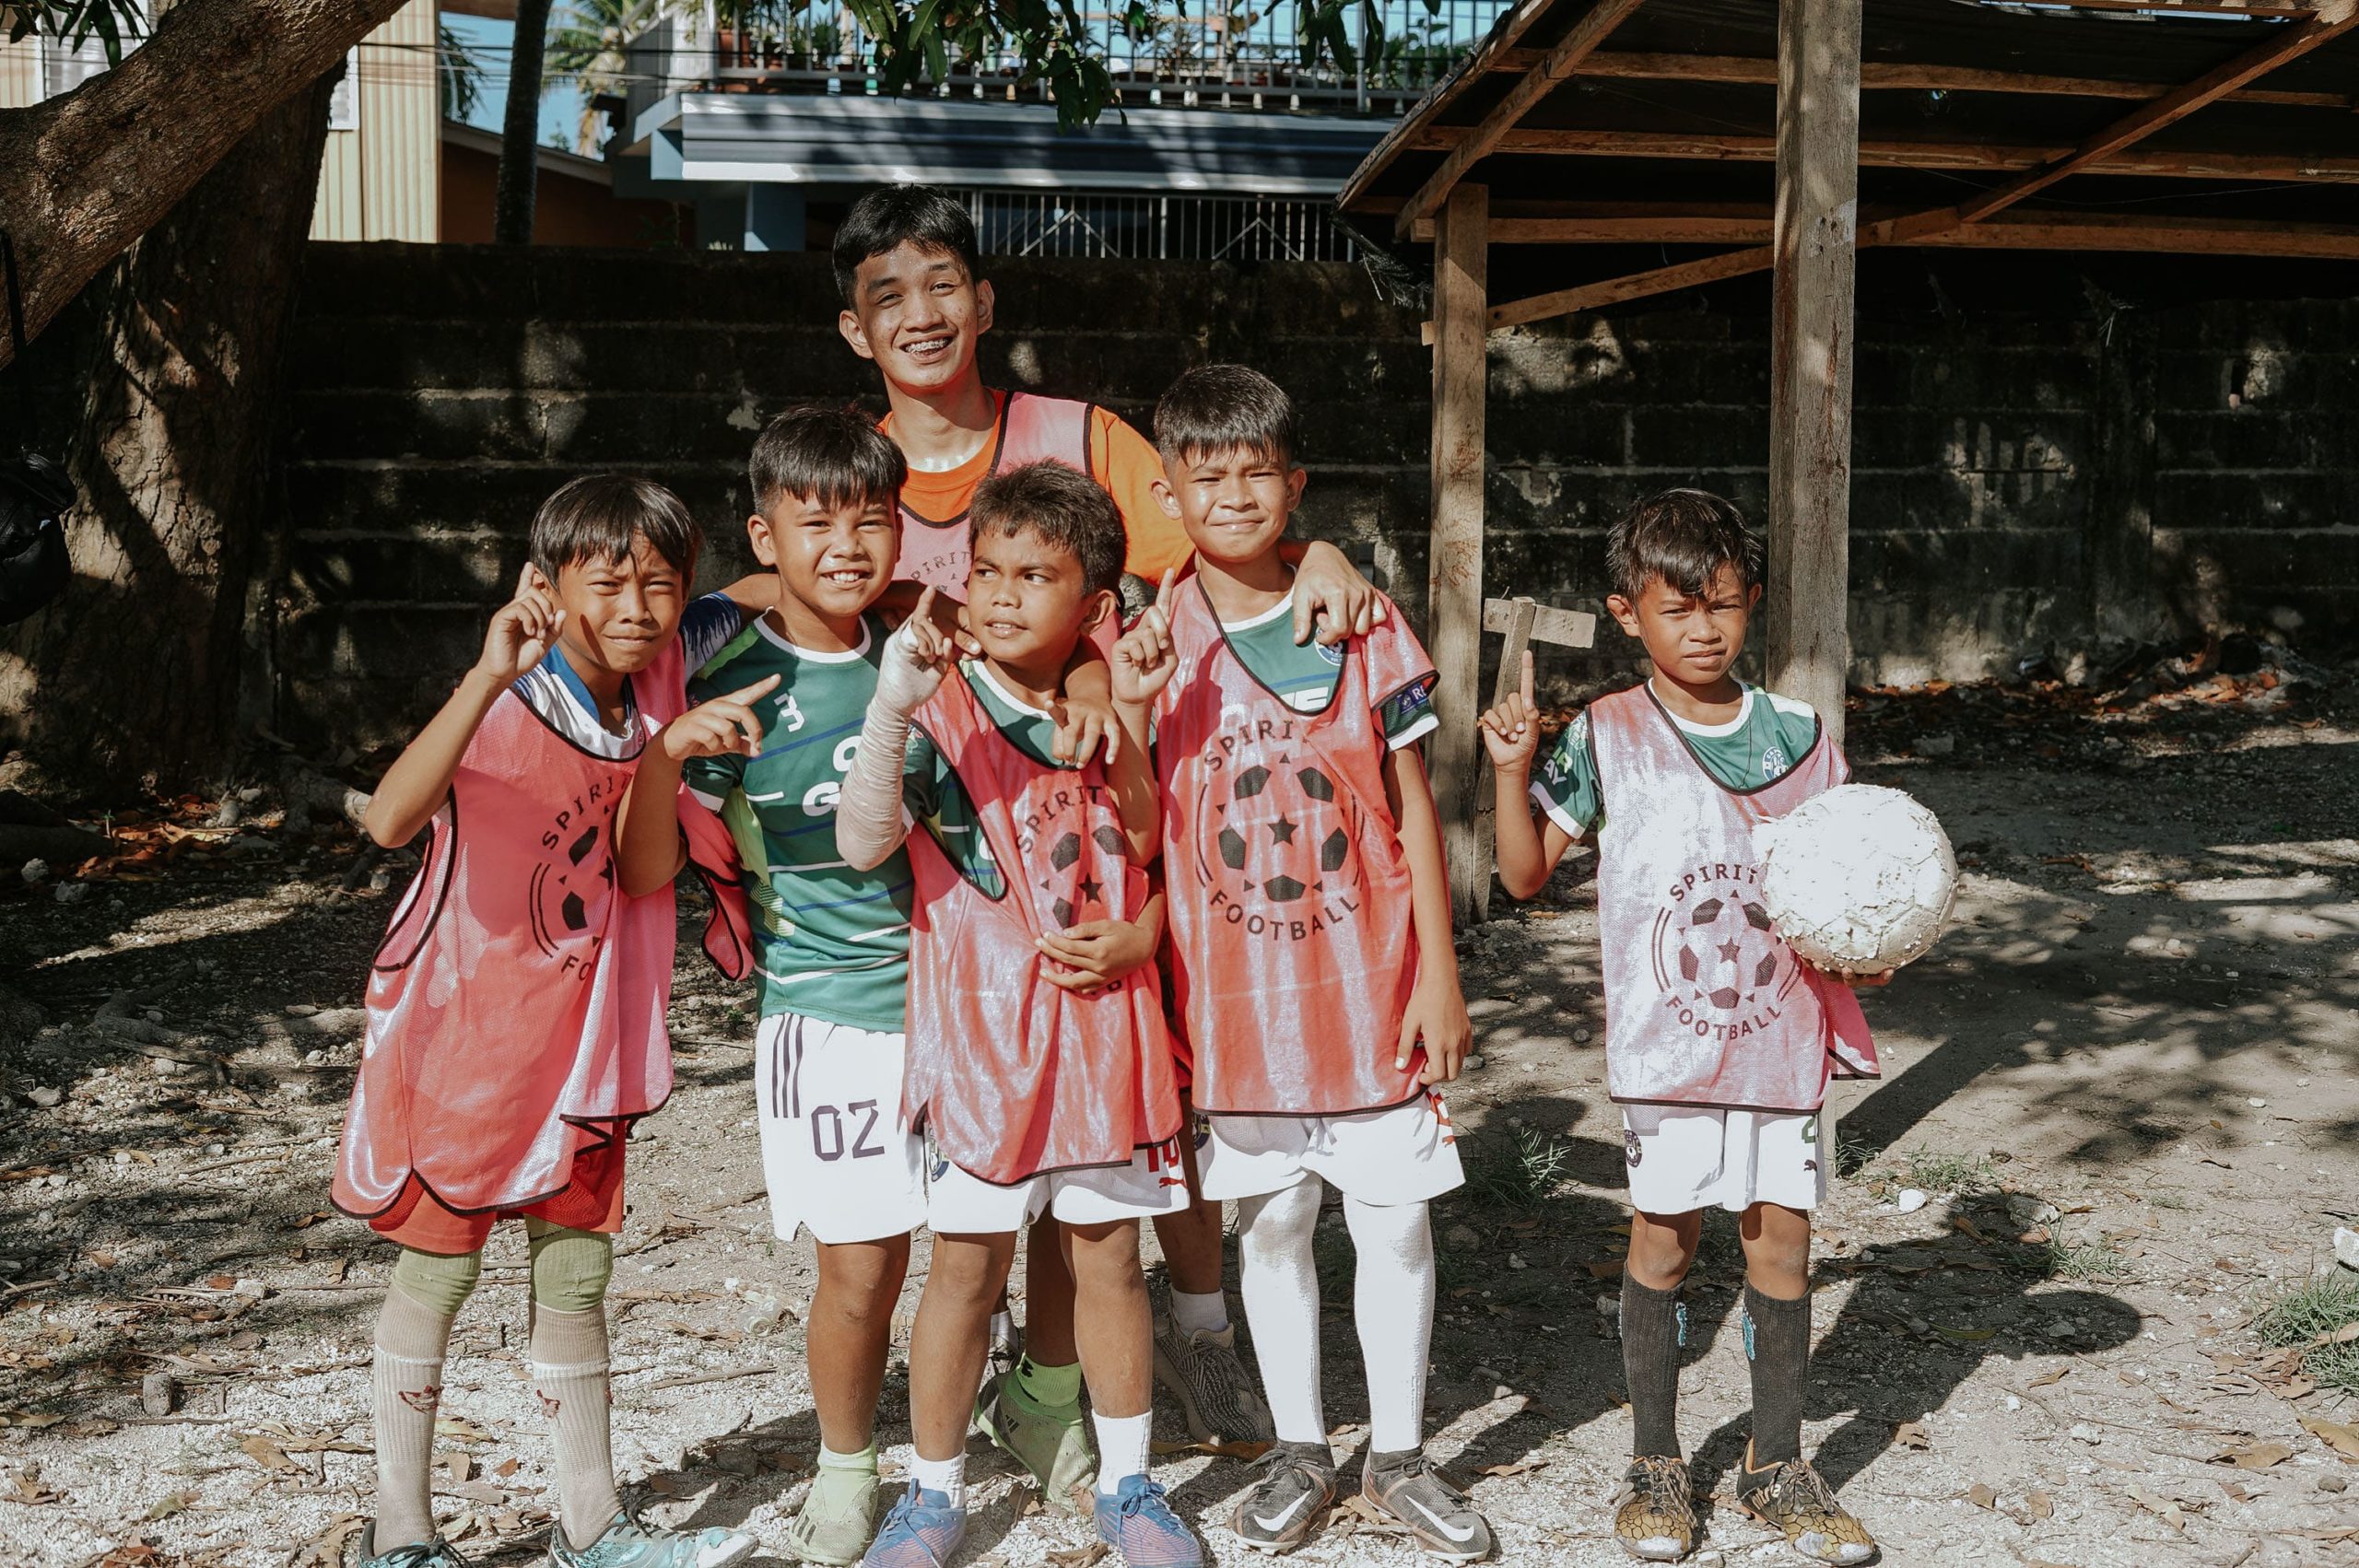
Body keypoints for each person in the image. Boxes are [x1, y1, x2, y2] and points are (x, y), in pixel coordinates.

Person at [833, 183, 1306, 1482]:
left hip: (1113, 793)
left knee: (1148, 1090)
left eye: (943, 286)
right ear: (853, 328)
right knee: (999, 1148)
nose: (921, 315)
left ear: (985, 303)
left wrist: (1112, 678)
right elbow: (798, 569)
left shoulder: (1082, 435)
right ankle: (1026, 1393)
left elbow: (1202, 555)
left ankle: (1192, 1337)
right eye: (888, 296)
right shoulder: (863, 468)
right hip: (954, 845)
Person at [335, 475, 778, 1568]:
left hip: (583, 1040)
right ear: (547, 584)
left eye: (659, 583)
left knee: (576, 1271)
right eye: (608, 579)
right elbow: (391, 817)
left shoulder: (653, 690)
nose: (636, 603)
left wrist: (667, 755)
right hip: (466, 1034)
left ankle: (594, 1525)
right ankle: (398, 1533)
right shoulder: (505, 695)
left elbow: (640, 871)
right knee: (438, 1271)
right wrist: (487, 671)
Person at [1117, 364, 1491, 1561]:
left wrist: (1440, 969)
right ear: (1167, 489)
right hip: (1234, 1007)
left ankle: (1400, 1453)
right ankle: (1297, 1445)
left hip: (1369, 983)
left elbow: (1415, 807)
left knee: (1393, 1223)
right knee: (1271, 1219)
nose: (1233, 494)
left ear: (1297, 484)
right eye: (1206, 475)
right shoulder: (1149, 638)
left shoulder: (1360, 619)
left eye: (1256, 472)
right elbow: (1129, 817)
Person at [1480, 488, 1884, 1566]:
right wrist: (1512, 769)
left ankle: (1776, 1464)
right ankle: (1656, 1463)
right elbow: (1523, 876)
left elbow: (1849, 889)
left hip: (1780, 1040)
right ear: (1627, 613)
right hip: (1667, 1051)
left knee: (1784, 1245)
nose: (1702, 628)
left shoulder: (1802, 736)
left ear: (1750, 603)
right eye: (1676, 609)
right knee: (1664, 1242)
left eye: (1723, 605)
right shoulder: (1607, 736)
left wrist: (1872, 948)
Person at [833, 462, 1203, 1568]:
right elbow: (862, 844)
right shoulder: (937, 699)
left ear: (1090, 606)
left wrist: (1121, 709)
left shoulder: (1105, 699)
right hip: (985, 1042)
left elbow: (1145, 843)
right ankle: (933, 1493)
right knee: (965, 1269)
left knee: (1107, 1259)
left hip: (1102, 1037)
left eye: (1033, 575)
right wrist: (895, 699)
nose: (1000, 595)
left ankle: (1129, 1485)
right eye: (985, 570)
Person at [611, 406, 936, 1564]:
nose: (847, 542)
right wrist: (670, 756)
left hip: (972, 1002)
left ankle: (1030, 1405)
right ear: (765, 535)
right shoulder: (722, 672)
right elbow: (645, 860)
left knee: (993, 1241)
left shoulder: (938, 646)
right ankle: (846, 1463)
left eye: (871, 518)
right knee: (863, 1263)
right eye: (815, 520)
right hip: (830, 1011)